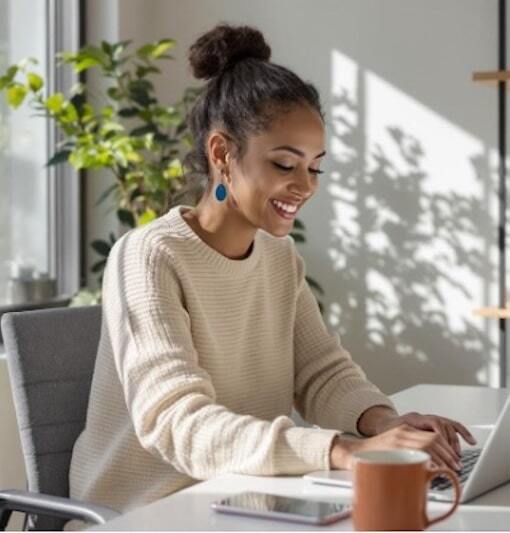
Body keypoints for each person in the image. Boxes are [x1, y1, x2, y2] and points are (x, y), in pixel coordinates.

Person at [66, 23, 476, 525]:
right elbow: (178, 423)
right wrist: (341, 451)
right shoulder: (150, 255)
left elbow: (321, 372)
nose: (304, 186)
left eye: (315, 168)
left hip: (246, 495)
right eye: (285, 164)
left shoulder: (279, 258)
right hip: (151, 509)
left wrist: (385, 425)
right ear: (222, 154)